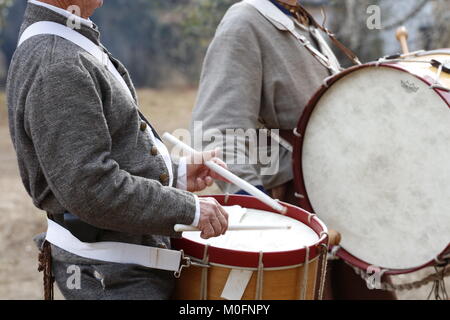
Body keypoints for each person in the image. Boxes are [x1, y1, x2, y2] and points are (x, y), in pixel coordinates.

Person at [7, 0, 229, 300]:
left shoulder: (64, 40)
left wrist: (174, 174)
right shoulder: (57, 61)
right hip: (113, 276)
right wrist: (188, 209)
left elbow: (110, 150)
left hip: (119, 267)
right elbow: (91, 188)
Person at [191, 0, 396, 300]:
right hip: (296, 208)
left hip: (345, 208)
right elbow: (218, 132)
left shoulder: (301, 20)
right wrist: (259, 207)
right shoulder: (245, 22)